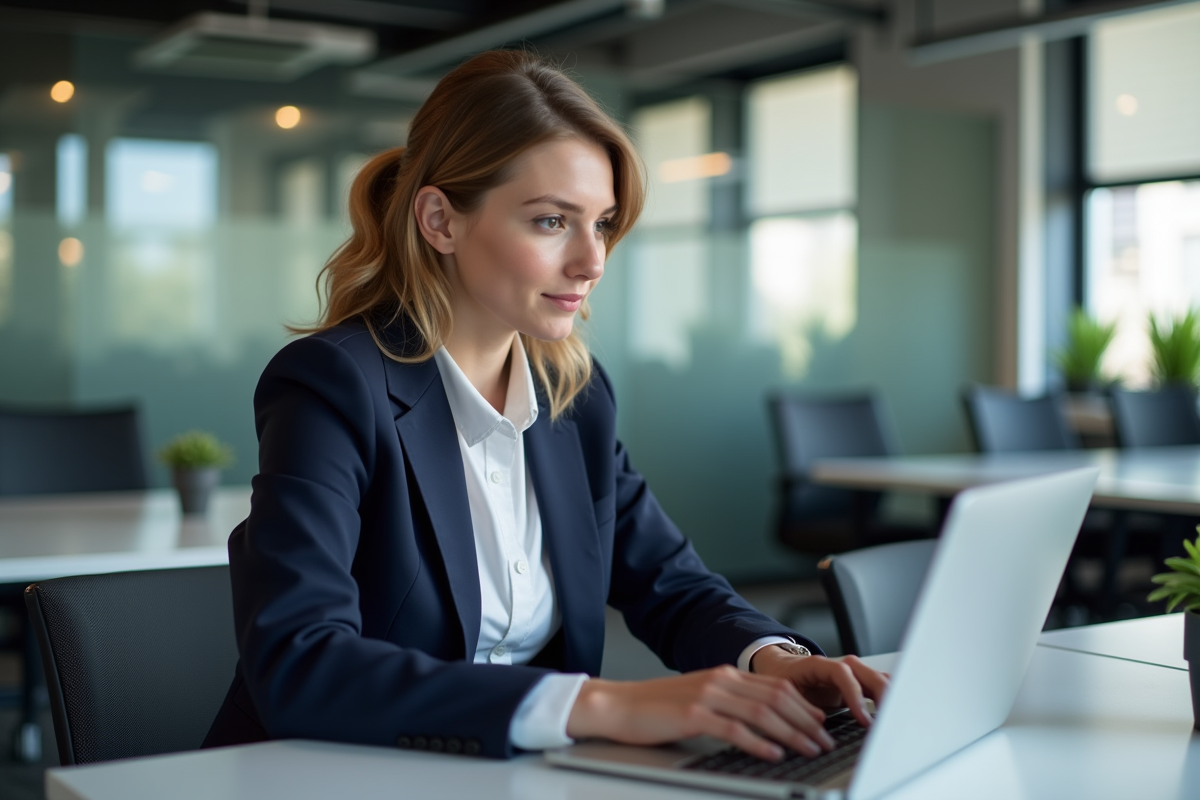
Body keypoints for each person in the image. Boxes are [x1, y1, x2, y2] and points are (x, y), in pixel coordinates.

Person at [204, 49, 887, 762]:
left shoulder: (574, 396)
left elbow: (669, 582)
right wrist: (602, 705)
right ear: (440, 221)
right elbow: (299, 660)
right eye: (552, 221)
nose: (593, 261)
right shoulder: (335, 384)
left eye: (603, 223)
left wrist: (772, 658)